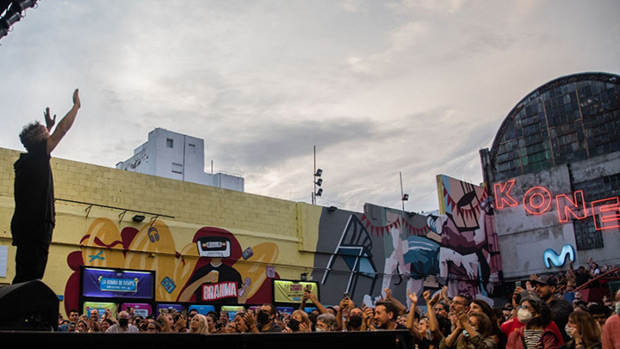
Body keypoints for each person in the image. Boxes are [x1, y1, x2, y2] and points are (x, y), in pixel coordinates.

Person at [11, 89, 81, 284]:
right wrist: (76, 106)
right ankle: (21, 310)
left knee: (24, 273)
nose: (49, 134)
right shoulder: (38, 157)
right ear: (41, 142)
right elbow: (62, 130)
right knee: (31, 278)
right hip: (37, 225)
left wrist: (46, 129)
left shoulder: (26, 162)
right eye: (45, 132)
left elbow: (45, 140)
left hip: (24, 226)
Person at [532, 274, 573, 342]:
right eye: (536, 287)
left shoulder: (564, 305)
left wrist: (534, 300)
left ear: (552, 289)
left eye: (541, 286)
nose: (537, 290)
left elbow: (553, 318)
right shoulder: (536, 306)